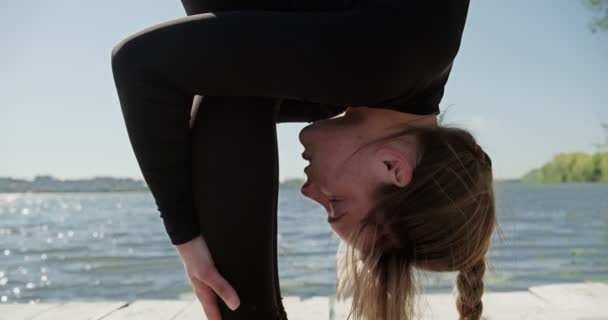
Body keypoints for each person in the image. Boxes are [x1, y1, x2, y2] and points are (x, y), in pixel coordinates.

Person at [110, 0, 496, 319]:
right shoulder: (382, 63)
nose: (309, 191)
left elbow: (224, 96)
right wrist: (187, 239)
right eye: (335, 204)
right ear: (393, 167)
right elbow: (143, 65)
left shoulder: (382, 76)